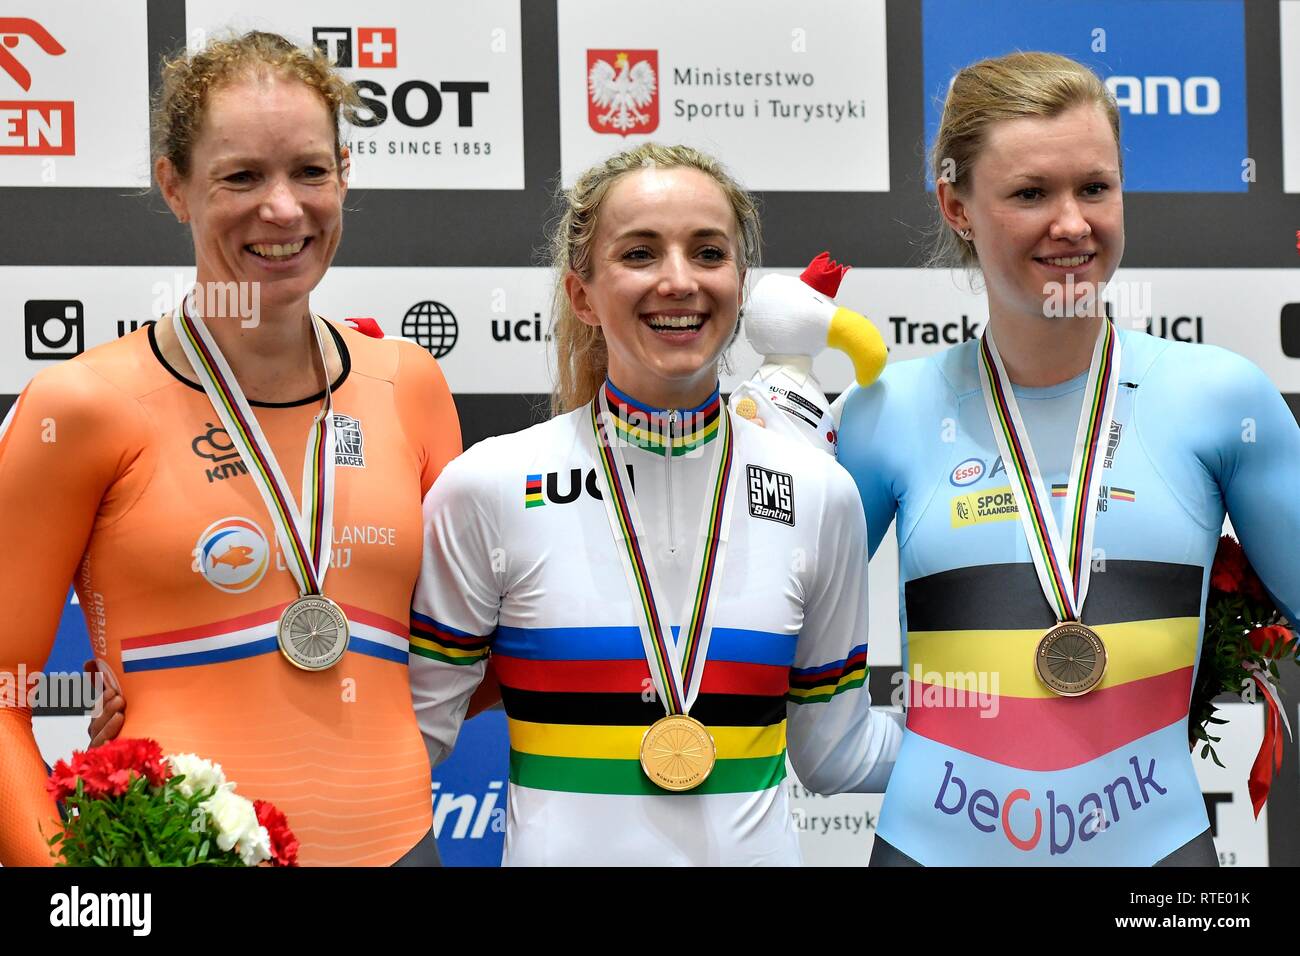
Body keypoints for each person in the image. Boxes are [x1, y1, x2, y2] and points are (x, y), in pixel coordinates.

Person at [0, 32, 461, 866]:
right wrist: (75, 890)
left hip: (404, 848)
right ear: (174, 186)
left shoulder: (411, 384)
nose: (282, 209)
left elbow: (461, 653)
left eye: (310, 171)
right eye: (241, 176)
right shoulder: (83, 405)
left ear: (345, 174)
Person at [836, 51, 1300, 866]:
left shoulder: (1223, 398)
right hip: (930, 848)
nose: (1073, 224)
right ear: (957, 205)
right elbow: (765, 640)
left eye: (1095, 187)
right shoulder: (885, 414)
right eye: (1029, 194)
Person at [409, 142, 902, 865]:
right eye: (640, 254)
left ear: (739, 282)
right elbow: (409, 739)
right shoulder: (490, 487)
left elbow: (837, 756)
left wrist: (1021, 734)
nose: (679, 282)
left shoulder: (819, 494)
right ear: (582, 293)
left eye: (708, 253)